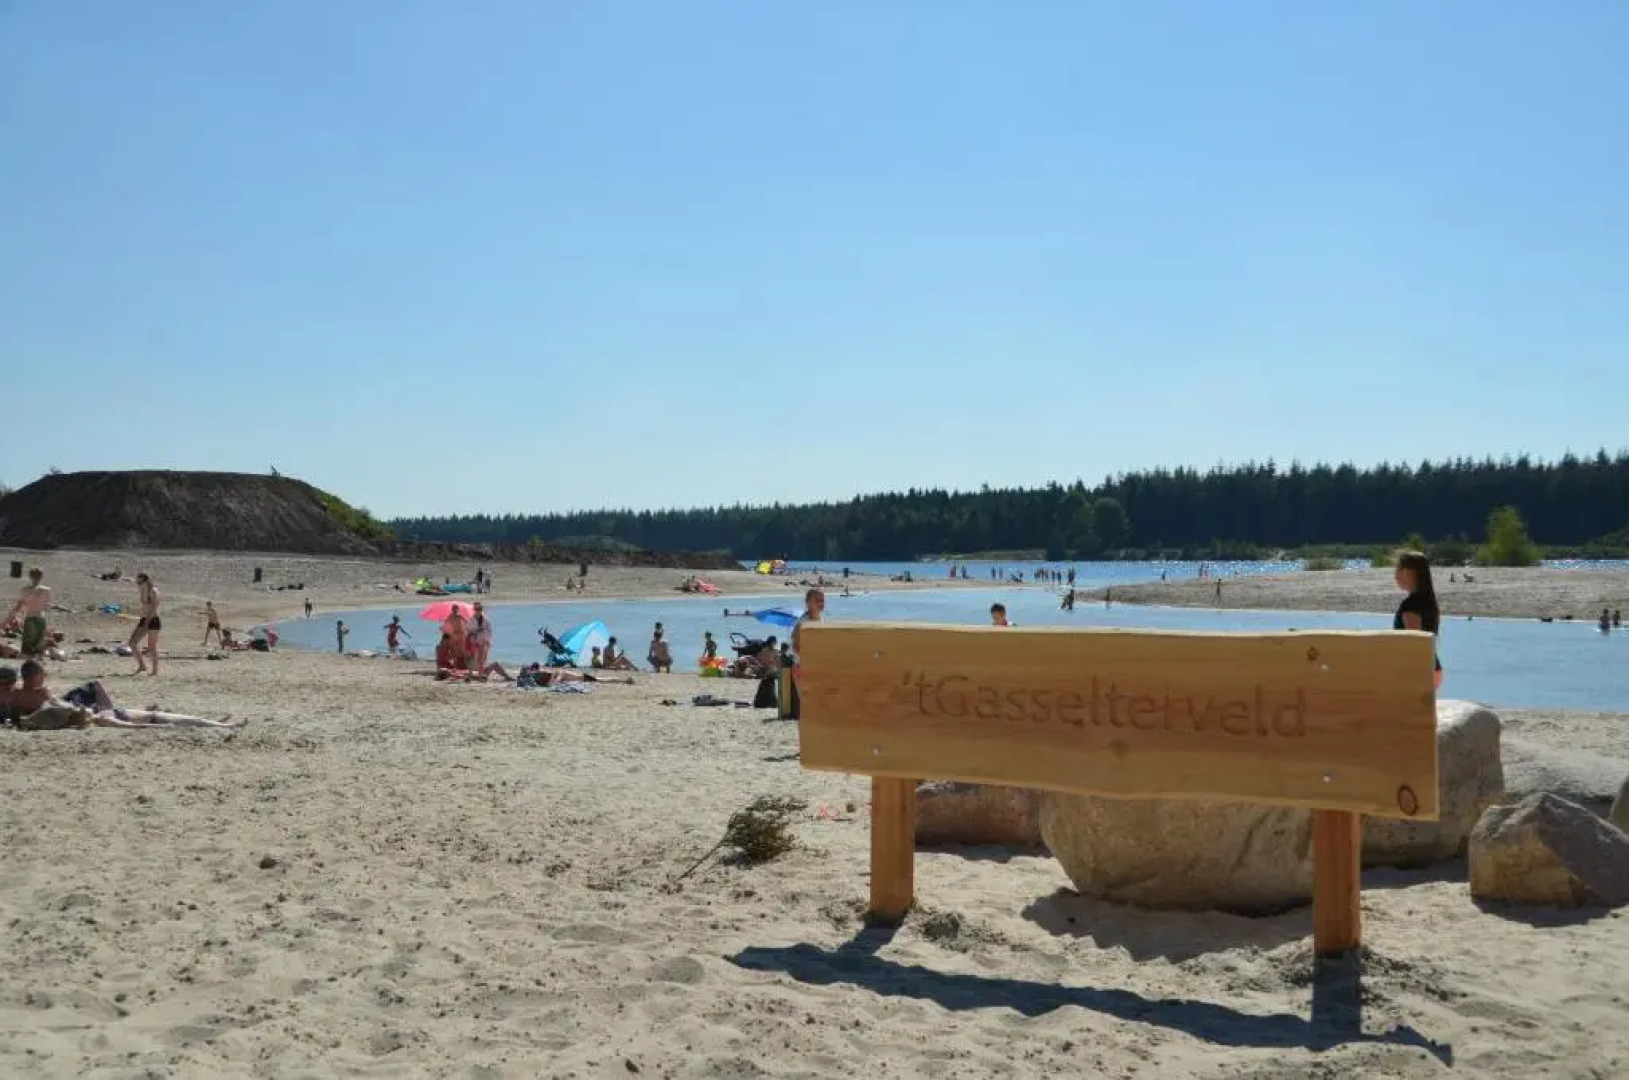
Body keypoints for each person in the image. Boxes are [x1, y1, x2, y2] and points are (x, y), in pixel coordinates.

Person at [1393, 550, 1444, 690]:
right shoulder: (1429, 601)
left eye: (1398, 569)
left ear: (1409, 573)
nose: (1395, 575)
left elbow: (1415, 642)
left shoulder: (1411, 605)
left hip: (1421, 671)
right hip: (1433, 667)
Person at [6, 567, 51, 657]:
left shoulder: (24, 590)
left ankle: (28, 657)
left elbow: (20, 606)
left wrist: (11, 617)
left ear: (30, 576)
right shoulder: (47, 590)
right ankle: (38, 657)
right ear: (41, 577)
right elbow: (47, 607)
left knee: (28, 642)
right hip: (41, 617)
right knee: (39, 641)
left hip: (29, 616)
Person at [130, 573, 162, 675]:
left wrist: (147, 621)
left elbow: (154, 608)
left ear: (146, 581)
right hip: (143, 619)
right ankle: (142, 665)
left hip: (153, 620)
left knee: (152, 647)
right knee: (132, 643)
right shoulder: (142, 590)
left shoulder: (153, 591)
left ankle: (154, 671)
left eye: (140, 582)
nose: (138, 584)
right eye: (137, 582)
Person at [466, 602, 493, 671]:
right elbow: (468, 631)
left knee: (483, 658)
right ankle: (478, 672)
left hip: (484, 640)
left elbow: (489, 630)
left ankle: (481, 672)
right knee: (476, 658)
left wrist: (485, 635)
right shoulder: (471, 619)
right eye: (477, 609)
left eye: (480, 609)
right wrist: (476, 631)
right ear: (474, 610)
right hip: (474, 641)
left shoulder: (486, 619)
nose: (478, 611)